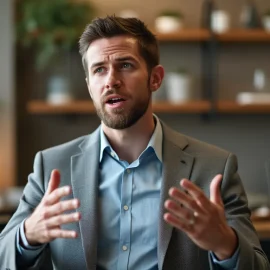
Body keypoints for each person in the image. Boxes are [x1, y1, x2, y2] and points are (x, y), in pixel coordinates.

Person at [0, 15, 269, 270]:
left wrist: (225, 244)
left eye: (125, 65)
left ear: (156, 78)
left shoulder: (215, 168)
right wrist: (27, 235)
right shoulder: (51, 165)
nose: (111, 81)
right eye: (99, 70)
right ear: (89, 85)